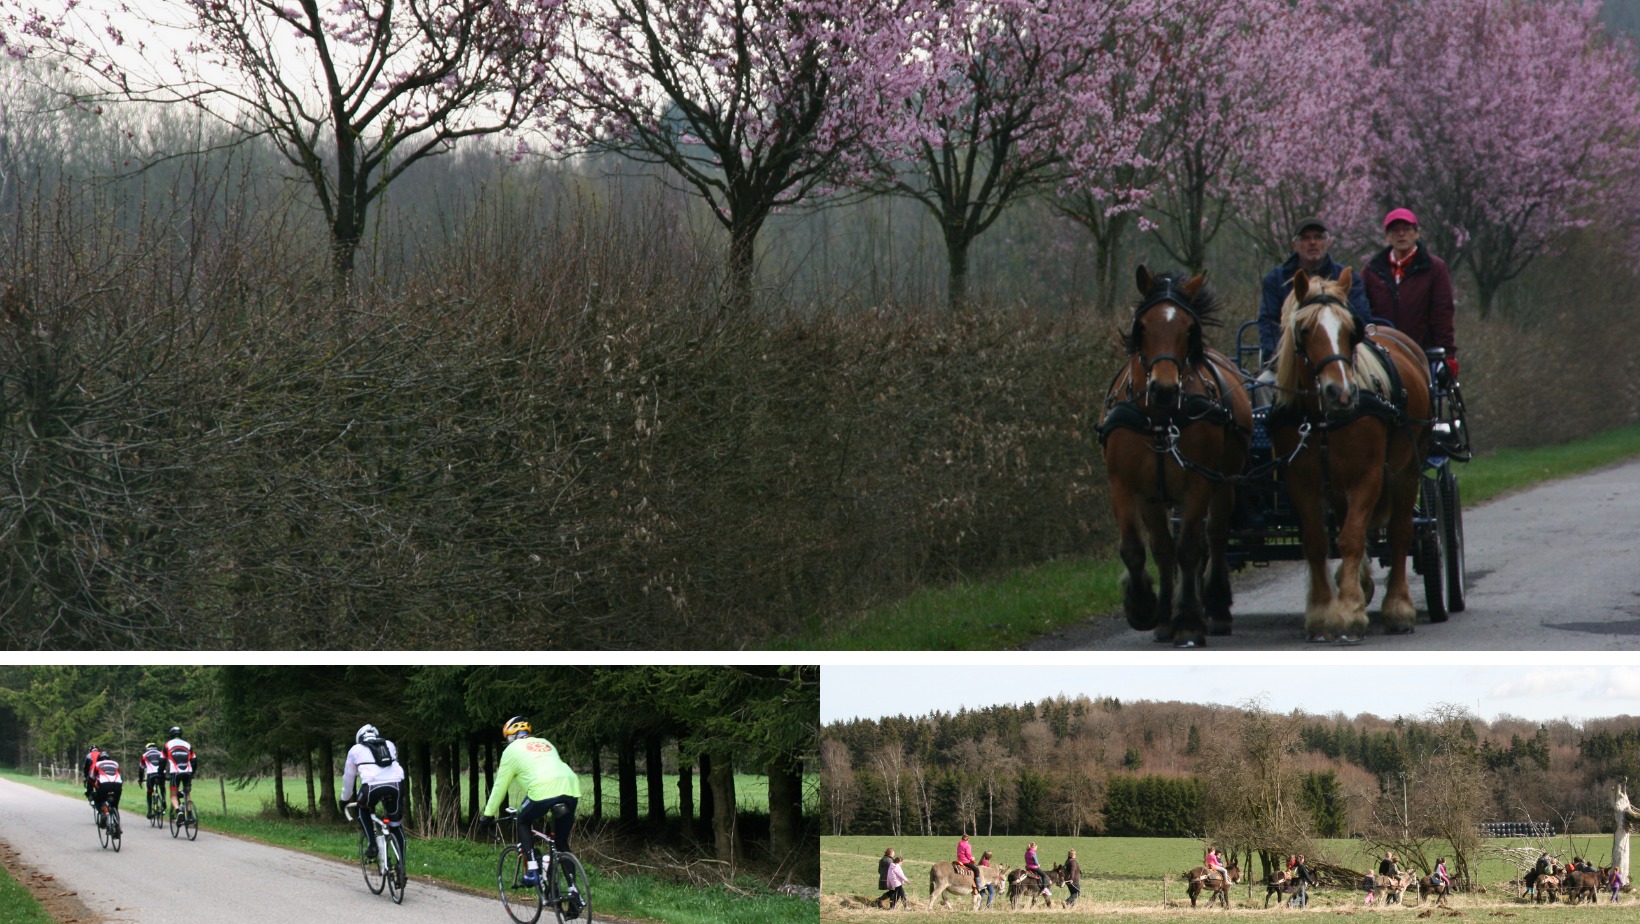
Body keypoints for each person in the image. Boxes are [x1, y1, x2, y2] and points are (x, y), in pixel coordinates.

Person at [1254, 216, 1373, 404]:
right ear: (1295, 245)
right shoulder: (1275, 279)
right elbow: (1268, 321)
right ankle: (1274, 429)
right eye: (1305, 238)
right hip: (1292, 360)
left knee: (1372, 384)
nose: (1312, 242)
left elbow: (1361, 319)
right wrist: (1277, 357)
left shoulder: (1346, 279)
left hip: (1343, 359)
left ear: (1326, 243)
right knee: (1263, 384)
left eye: (1318, 237)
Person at [480, 716, 582, 894]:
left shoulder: (511, 751)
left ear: (510, 737)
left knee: (522, 820)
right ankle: (574, 892)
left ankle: (533, 870)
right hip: (571, 788)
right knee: (560, 843)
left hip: (543, 790)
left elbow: (499, 786)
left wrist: (488, 814)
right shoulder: (545, 742)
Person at [1361, 208, 1457, 383]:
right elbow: (1361, 310)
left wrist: (1447, 354)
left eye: (1407, 229)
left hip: (1421, 354)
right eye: (1395, 230)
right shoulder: (1371, 271)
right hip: (1380, 354)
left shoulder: (1434, 268)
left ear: (1416, 234)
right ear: (1387, 237)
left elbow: (1442, 313)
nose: (1401, 234)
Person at [340, 723, 406, 861]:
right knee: (395, 824)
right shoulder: (389, 744)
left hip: (371, 788)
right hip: (396, 786)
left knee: (362, 808)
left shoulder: (355, 749)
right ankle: (402, 867)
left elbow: (349, 777)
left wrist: (344, 799)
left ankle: (372, 845)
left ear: (360, 738)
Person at [162, 726, 195, 819]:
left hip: (175, 773)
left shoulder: (168, 744)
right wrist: (192, 773)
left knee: (173, 795)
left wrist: (161, 773)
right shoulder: (188, 745)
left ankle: (178, 812)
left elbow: (162, 760)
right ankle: (189, 815)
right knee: (187, 793)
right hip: (188, 772)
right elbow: (194, 760)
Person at [88, 750, 122, 826]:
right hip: (117, 785)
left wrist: (93, 786)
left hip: (104, 785)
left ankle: (103, 813)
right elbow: (119, 774)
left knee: (98, 800)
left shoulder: (97, 764)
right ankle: (117, 827)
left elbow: (91, 778)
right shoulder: (115, 763)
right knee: (115, 805)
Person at [138, 741, 166, 811]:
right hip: (161, 773)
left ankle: (149, 810)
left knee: (149, 791)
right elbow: (164, 764)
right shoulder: (161, 753)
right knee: (162, 787)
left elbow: (141, 769)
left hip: (151, 774)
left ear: (147, 748)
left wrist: (141, 779)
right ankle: (163, 799)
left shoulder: (144, 755)